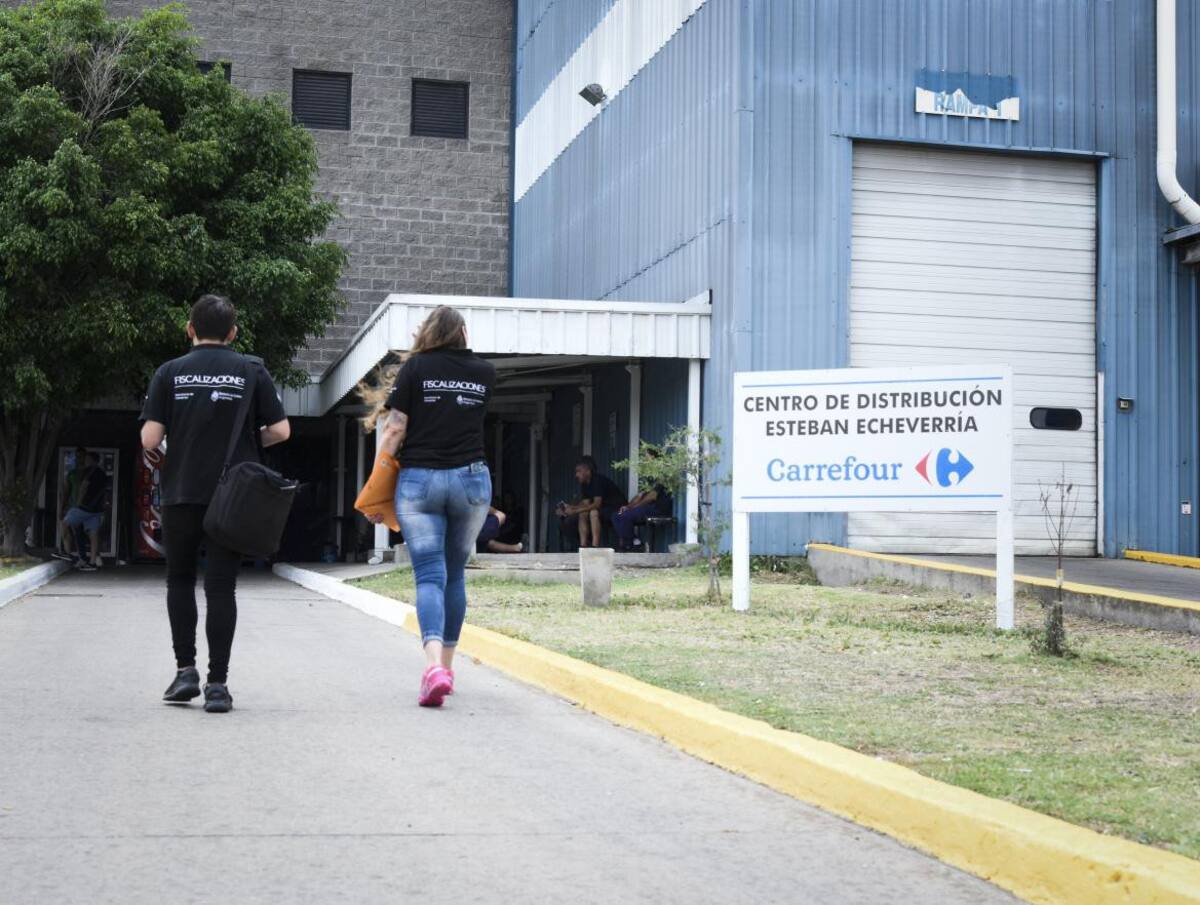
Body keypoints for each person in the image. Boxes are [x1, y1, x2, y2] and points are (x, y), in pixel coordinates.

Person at [140, 295, 291, 714]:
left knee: (179, 580)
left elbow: (150, 440)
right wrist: (245, 443)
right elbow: (281, 430)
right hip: (232, 496)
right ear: (233, 333)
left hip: (182, 493)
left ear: (190, 329)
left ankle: (185, 671)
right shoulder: (251, 370)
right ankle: (219, 685)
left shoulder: (168, 373)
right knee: (222, 585)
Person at [361, 305, 495, 708]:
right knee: (455, 575)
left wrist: (375, 487)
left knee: (430, 577)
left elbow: (395, 429)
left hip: (420, 481)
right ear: (464, 333)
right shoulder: (485, 373)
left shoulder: (416, 369)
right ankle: (447, 671)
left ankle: (433, 666)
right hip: (471, 479)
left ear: (429, 332)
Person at [556, 456, 625, 548]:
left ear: (588, 471)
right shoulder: (585, 483)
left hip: (617, 509)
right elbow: (585, 504)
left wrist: (575, 511)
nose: (576, 475)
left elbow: (597, 504)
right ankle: (583, 545)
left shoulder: (597, 480)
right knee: (583, 513)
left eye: (578, 471)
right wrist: (570, 507)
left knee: (593, 512)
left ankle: (594, 546)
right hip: (603, 509)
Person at [61, 451, 107, 570]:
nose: (85, 461)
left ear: (92, 460)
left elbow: (84, 486)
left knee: (64, 523)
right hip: (96, 509)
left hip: (84, 507)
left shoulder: (89, 471)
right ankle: (92, 563)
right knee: (93, 535)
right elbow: (104, 492)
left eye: (87, 459)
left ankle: (66, 552)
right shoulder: (103, 474)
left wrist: (78, 504)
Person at [54, 447, 88, 563]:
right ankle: (68, 554)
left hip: (86, 507)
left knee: (82, 533)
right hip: (72, 506)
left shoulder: (90, 472)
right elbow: (66, 491)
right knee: (66, 528)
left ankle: (84, 557)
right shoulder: (72, 473)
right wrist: (62, 507)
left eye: (82, 456)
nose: (79, 459)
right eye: (77, 457)